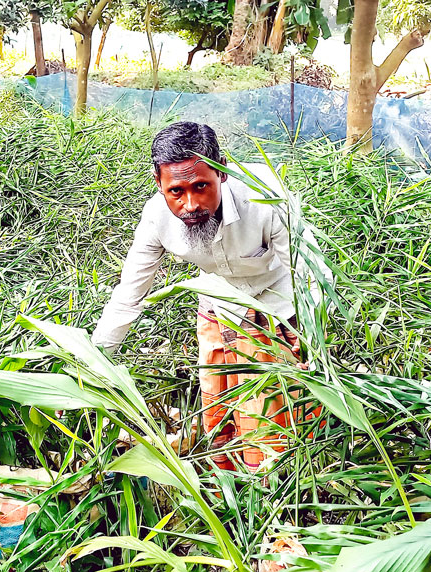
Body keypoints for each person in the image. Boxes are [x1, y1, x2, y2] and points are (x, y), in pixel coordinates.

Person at [91, 121, 331, 471]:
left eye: (201, 186)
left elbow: (310, 274)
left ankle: (271, 492)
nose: (190, 204)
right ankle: (227, 489)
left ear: (222, 172)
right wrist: (95, 361)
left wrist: (315, 345)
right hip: (217, 305)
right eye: (176, 191)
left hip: (276, 309)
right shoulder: (157, 218)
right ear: (158, 183)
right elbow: (129, 293)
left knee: (269, 424)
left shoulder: (265, 197)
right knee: (218, 415)